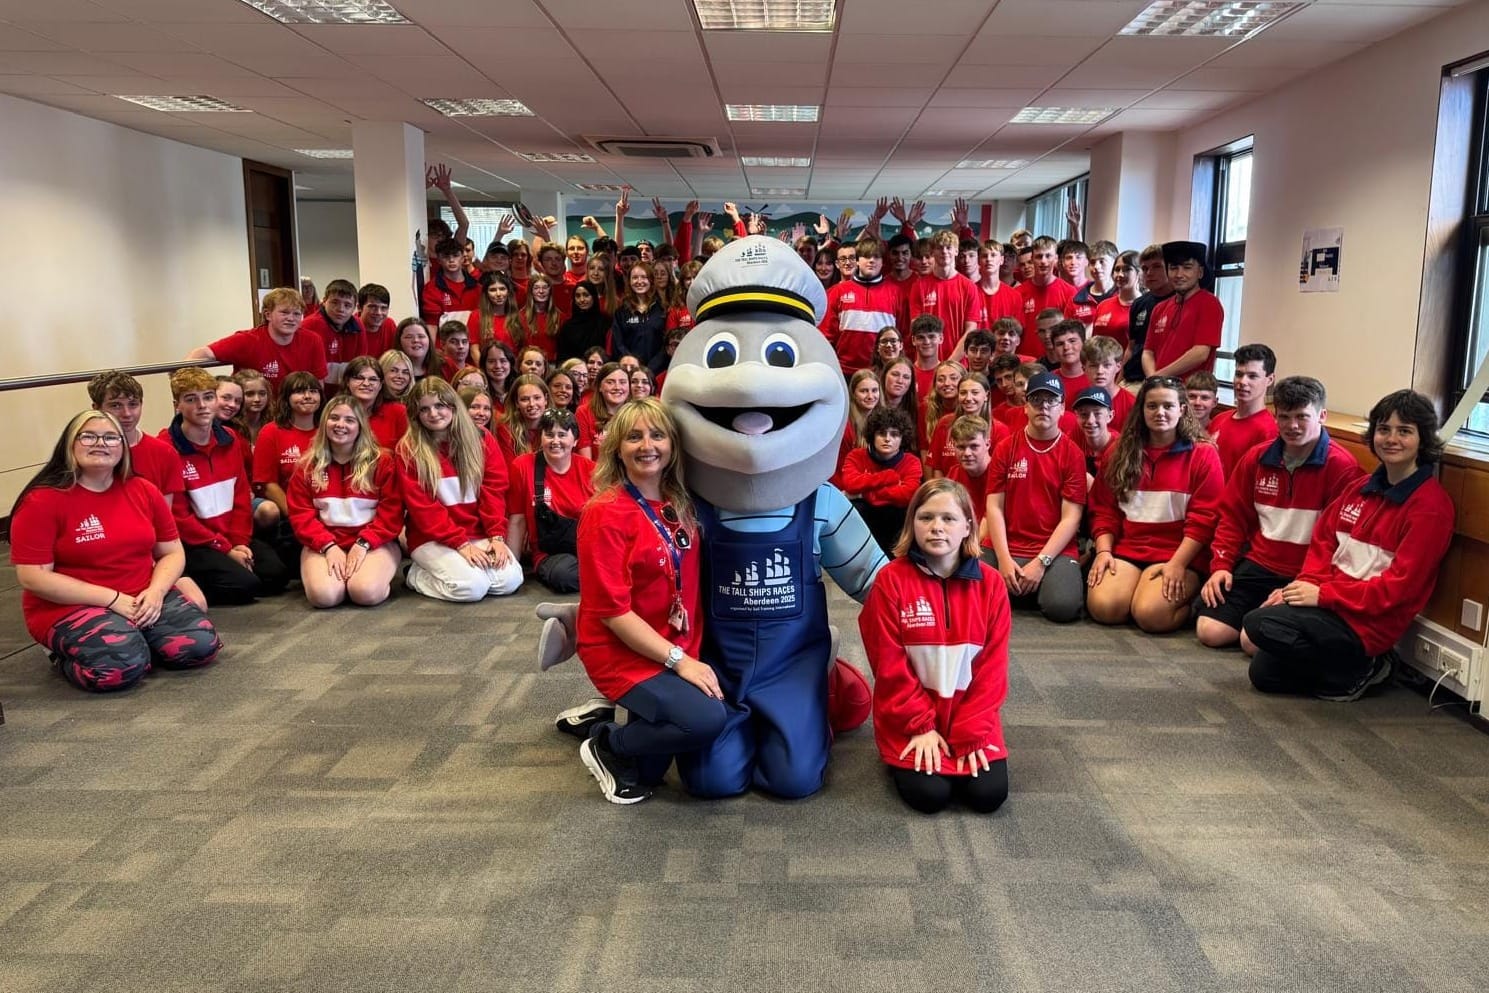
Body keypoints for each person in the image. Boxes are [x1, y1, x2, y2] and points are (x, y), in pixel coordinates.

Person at [1241, 390, 1455, 701]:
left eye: (1404, 431)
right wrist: (1304, 587)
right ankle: (1343, 673)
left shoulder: (1431, 508)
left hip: (1368, 623)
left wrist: (1323, 595)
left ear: (1423, 440)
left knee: (1257, 623)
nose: (1391, 439)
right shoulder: (1359, 489)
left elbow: (1399, 590)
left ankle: (1368, 662)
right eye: (1383, 429)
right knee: (1264, 674)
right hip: (1331, 607)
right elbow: (1322, 546)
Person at [574, 398, 728, 804]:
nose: (647, 445)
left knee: (650, 771)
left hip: (672, 640)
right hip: (621, 650)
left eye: (657, 435)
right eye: (634, 437)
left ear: (673, 445)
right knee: (705, 720)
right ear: (617, 449)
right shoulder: (605, 513)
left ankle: (609, 716)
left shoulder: (682, 503)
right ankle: (607, 742)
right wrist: (681, 663)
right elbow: (614, 614)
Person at [10, 410, 222, 692]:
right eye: (88, 436)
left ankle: (136, 642)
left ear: (123, 447)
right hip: (71, 606)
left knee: (200, 647)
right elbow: (33, 578)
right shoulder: (42, 500)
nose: (101, 443)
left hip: (142, 595)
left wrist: (157, 592)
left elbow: (172, 552)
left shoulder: (143, 489)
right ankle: (63, 654)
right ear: (69, 445)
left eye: (111, 437)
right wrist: (112, 599)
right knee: (118, 670)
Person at [858, 479, 1010, 815]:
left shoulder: (992, 585)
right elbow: (889, 666)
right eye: (926, 518)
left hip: (972, 716)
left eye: (948, 518)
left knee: (988, 795)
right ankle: (917, 743)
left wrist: (972, 729)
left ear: (968, 526)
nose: (937, 528)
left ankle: (960, 737)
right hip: (909, 717)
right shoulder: (890, 581)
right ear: (912, 523)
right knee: (930, 796)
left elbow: (993, 669)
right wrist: (920, 726)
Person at [1198, 376, 1363, 650]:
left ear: (1322, 415)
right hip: (1259, 564)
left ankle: (1267, 621)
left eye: (1302, 416)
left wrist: (1303, 585)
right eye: (1284, 417)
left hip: (1306, 574)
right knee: (1209, 632)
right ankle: (1260, 615)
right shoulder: (1257, 457)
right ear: (1275, 417)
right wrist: (1221, 567)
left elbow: (1340, 543)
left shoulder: (1342, 467)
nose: (1292, 426)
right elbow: (1232, 518)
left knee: (1252, 642)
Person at [1087, 376, 1223, 632]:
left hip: (1179, 554)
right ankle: (1137, 590)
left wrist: (1178, 564)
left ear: (1182, 410)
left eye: (1168, 406)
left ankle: (1188, 601)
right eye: (1152, 406)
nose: (1160, 412)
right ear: (1142, 410)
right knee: (1104, 608)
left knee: (1151, 616)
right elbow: (1104, 510)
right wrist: (1104, 551)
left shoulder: (1203, 454)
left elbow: (1204, 520)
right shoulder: (1119, 452)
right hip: (1129, 549)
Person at [160, 367, 290, 604]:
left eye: (208, 397)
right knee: (245, 587)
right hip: (195, 543)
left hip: (229, 534)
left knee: (277, 576)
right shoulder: (166, 448)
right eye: (191, 399)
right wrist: (226, 550)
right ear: (176, 405)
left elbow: (241, 498)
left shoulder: (229, 438)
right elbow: (179, 517)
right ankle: (185, 580)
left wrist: (239, 542)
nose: (202, 405)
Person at [397, 378, 524, 602]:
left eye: (439, 406)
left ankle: (466, 571)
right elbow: (424, 510)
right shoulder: (409, 450)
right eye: (424, 409)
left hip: (478, 533)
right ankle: (415, 575)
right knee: (471, 588)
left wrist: (497, 537)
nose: (433, 414)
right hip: (433, 538)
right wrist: (460, 544)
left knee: (509, 581)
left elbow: (493, 491)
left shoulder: (482, 438)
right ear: (416, 415)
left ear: (453, 406)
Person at [984, 372, 1087, 623]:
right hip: (1007, 545)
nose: (1044, 406)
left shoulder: (1072, 453)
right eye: (1036, 400)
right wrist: (1005, 560)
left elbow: (1071, 518)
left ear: (1062, 408)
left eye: (1051, 401)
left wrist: (1041, 563)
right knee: (971, 595)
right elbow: (994, 507)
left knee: (1063, 608)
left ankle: (1030, 587)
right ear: (1025, 407)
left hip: (1054, 550)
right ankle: (1022, 586)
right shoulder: (1006, 447)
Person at [287, 398, 403, 608]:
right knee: (324, 597)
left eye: (350, 420)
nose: (341, 425)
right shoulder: (306, 466)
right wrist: (328, 546)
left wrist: (364, 543)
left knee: (365, 592)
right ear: (324, 423)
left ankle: (365, 576)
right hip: (325, 543)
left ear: (360, 426)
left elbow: (391, 514)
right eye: (334, 418)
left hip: (373, 542)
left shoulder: (382, 462)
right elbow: (301, 516)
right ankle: (342, 578)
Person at [507, 408, 595, 593]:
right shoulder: (523, 466)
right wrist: (512, 570)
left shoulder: (591, 470)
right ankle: (604, 577)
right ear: (541, 438)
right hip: (551, 554)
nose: (555, 441)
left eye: (562, 435)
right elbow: (517, 520)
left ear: (575, 440)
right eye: (549, 435)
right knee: (564, 576)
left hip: (589, 549)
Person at [187, 287, 327, 395]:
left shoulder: (313, 340)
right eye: (284, 312)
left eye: (296, 314)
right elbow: (202, 353)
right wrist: (186, 386)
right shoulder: (247, 340)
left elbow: (318, 385)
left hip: (292, 411)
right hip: (252, 413)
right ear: (268, 315)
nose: (291, 318)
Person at [86, 371, 183, 508]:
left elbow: (165, 518)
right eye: (116, 405)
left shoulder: (164, 453)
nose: (127, 414)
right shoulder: (86, 455)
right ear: (96, 408)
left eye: (133, 404)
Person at [840, 406, 923, 553]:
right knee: (857, 507)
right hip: (864, 529)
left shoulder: (912, 462)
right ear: (872, 435)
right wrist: (889, 477)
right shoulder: (856, 456)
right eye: (882, 433)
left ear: (903, 438)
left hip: (896, 526)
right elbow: (850, 484)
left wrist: (865, 494)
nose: (887, 439)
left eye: (894, 434)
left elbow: (907, 494)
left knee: (903, 510)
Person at [820, 236, 906, 377]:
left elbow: (904, 336)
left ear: (882, 262)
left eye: (876, 257)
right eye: (866, 256)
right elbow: (826, 337)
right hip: (844, 371)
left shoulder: (896, 293)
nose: (871, 261)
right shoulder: (837, 292)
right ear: (857, 261)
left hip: (883, 371)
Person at [1143, 240, 1223, 378]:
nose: (1179, 274)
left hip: (1192, 393)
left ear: (1200, 272)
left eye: (1187, 267)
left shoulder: (1209, 303)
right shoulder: (1159, 308)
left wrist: (1158, 377)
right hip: (1160, 389)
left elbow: (1200, 353)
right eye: (1173, 268)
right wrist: (1153, 379)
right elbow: (1148, 352)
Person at [1209, 342, 1280, 475]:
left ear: (1269, 379)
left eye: (1252, 376)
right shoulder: (1219, 419)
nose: (1242, 382)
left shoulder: (1269, 431)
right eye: (1239, 374)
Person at [299, 278, 369, 386]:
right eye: (335, 302)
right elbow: (306, 369)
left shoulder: (358, 326)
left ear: (355, 308)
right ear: (324, 301)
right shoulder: (308, 325)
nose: (341, 309)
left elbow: (360, 367)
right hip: (314, 391)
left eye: (347, 305)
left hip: (348, 391)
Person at [1124, 243, 1173, 383]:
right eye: (1145, 269)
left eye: (1157, 266)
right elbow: (1131, 347)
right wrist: (1118, 381)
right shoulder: (1139, 304)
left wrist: (1154, 379)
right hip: (1132, 377)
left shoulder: (1179, 302)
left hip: (1163, 379)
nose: (1150, 273)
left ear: (1170, 268)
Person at [342, 355, 408, 450]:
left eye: (373, 379)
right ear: (347, 382)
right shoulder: (336, 411)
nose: (366, 384)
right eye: (359, 378)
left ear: (381, 385)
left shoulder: (398, 412)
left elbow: (407, 452)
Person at [1018, 236, 1076, 342]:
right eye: (1039, 256)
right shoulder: (1018, 293)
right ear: (1032, 259)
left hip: (1057, 357)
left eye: (1048, 256)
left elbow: (1071, 333)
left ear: (1056, 259)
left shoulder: (1069, 292)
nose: (1043, 261)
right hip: (1025, 356)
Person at [611, 263, 667, 366]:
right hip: (629, 369)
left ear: (651, 280)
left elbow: (666, 344)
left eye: (644, 277)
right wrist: (632, 364)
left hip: (657, 370)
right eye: (635, 278)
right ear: (629, 281)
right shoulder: (621, 312)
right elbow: (618, 344)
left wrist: (653, 367)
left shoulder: (663, 309)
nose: (639, 281)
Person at [1080, 335, 1136, 432]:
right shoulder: (1078, 400)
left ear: (1118, 367)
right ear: (1084, 369)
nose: (1100, 371)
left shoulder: (1131, 404)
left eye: (1107, 365)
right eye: (1093, 366)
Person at [420, 237, 482, 324]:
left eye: (455, 255)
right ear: (439, 260)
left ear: (462, 258)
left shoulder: (478, 288)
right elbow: (432, 324)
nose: (451, 260)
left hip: (473, 337)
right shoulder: (431, 289)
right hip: (444, 337)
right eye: (446, 256)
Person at [577, 361, 631, 459]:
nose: (617, 387)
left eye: (623, 382)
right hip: (595, 472)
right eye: (610, 382)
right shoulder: (584, 412)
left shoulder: (636, 414)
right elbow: (586, 461)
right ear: (600, 387)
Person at [497, 373, 549, 464]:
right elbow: (511, 469)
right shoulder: (505, 430)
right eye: (525, 399)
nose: (532, 404)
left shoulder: (555, 426)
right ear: (516, 403)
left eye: (537, 398)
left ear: (545, 399)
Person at [556, 281, 608, 362]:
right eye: (578, 296)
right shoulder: (568, 326)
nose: (582, 299)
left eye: (586, 295)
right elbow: (562, 357)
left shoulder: (605, 323)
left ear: (593, 297)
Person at [473, 271, 518, 352]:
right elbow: (474, 350)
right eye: (493, 290)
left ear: (508, 291)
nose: (498, 294)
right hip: (486, 363)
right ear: (486, 293)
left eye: (502, 289)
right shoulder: (476, 316)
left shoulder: (518, 316)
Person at [230, 370, 272, 444]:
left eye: (262, 394)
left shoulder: (276, 422)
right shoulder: (229, 425)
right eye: (250, 394)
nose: (257, 399)